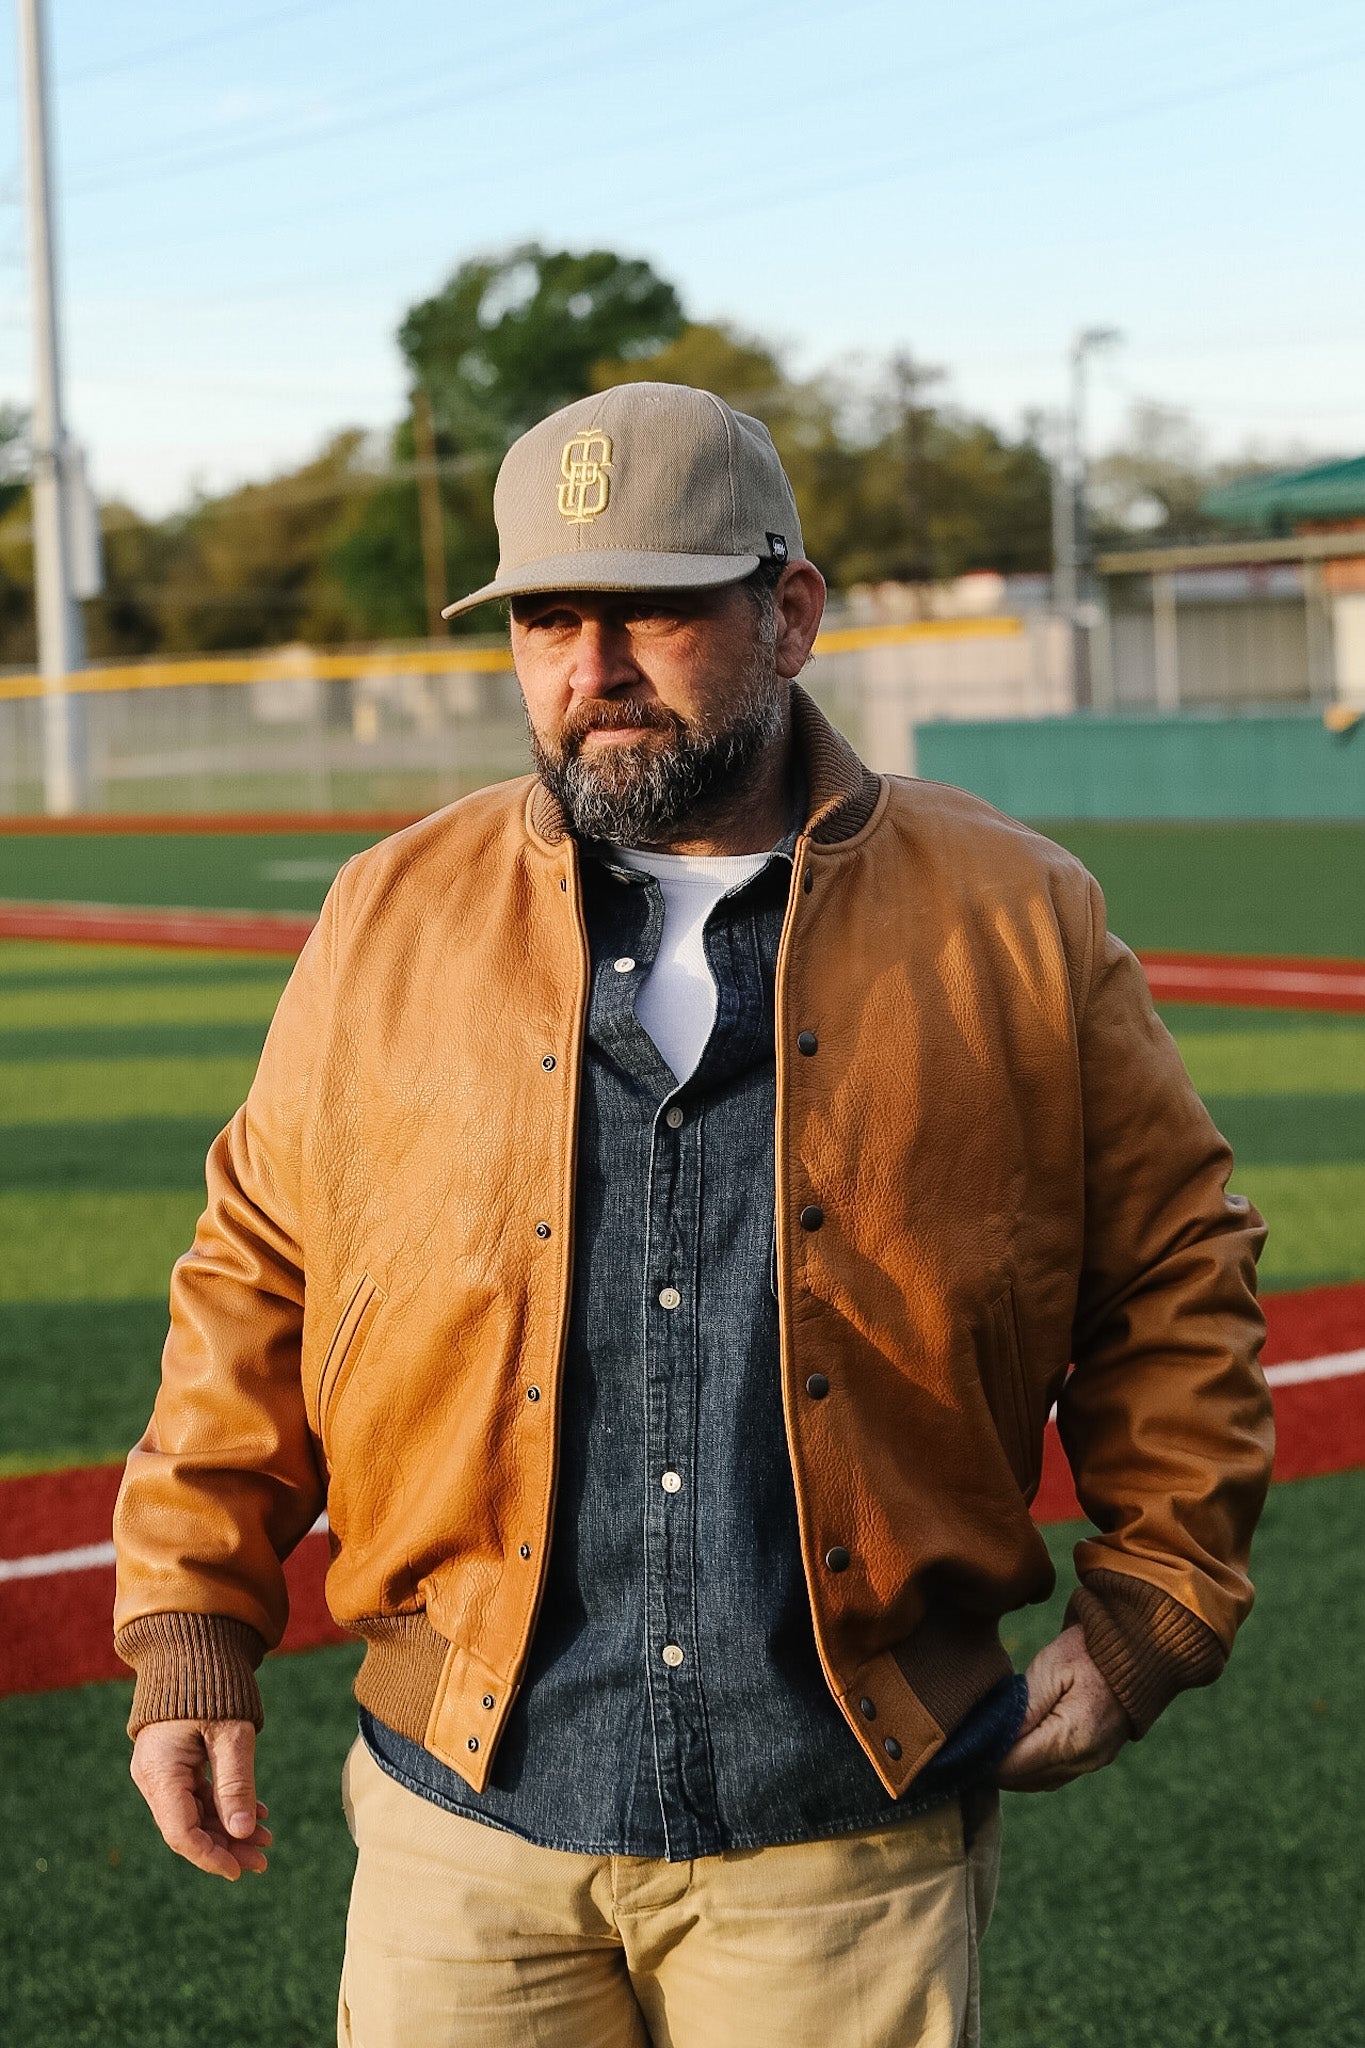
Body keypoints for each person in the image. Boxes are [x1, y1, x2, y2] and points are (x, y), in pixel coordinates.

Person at [114, 382, 1273, 2048]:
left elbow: (1171, 1270)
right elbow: (256, 1276)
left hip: (843, 1829)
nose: (592, 670)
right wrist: (190, 1629)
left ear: (787, 612)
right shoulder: (386, 915)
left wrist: (1158, 1595)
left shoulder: (1017, 915)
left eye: (652, 607)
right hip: (466, 1825)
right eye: (545, 620)